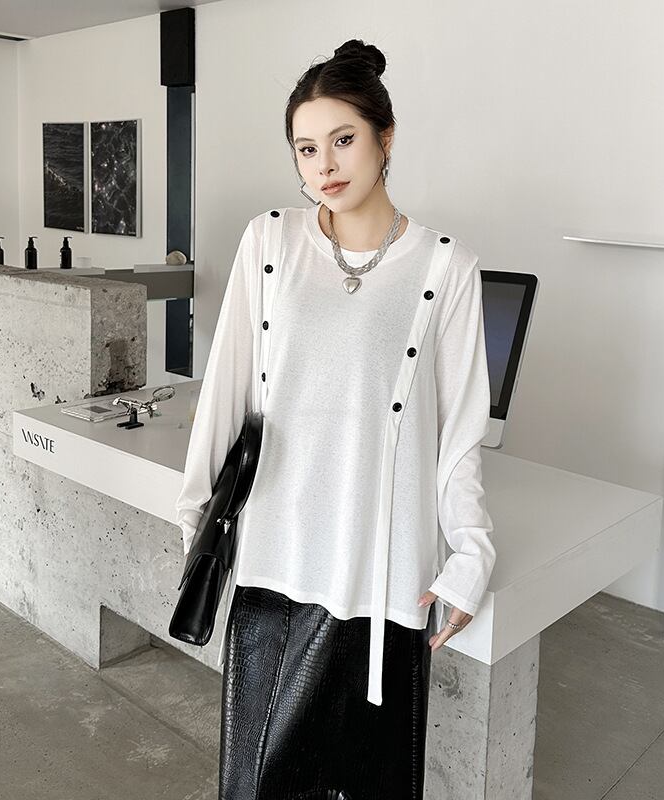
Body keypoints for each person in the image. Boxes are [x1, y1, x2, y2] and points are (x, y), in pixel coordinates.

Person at [175, 38, 496, 800]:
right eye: (306, 148)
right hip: (275, 565)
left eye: (343, 139)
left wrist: (471, 555)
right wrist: (197, 529)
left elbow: (459, 437)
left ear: (386, 137)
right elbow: (226, 396)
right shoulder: (270, 242)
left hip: (381, 585)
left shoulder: (447, 267)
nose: (325, 165)